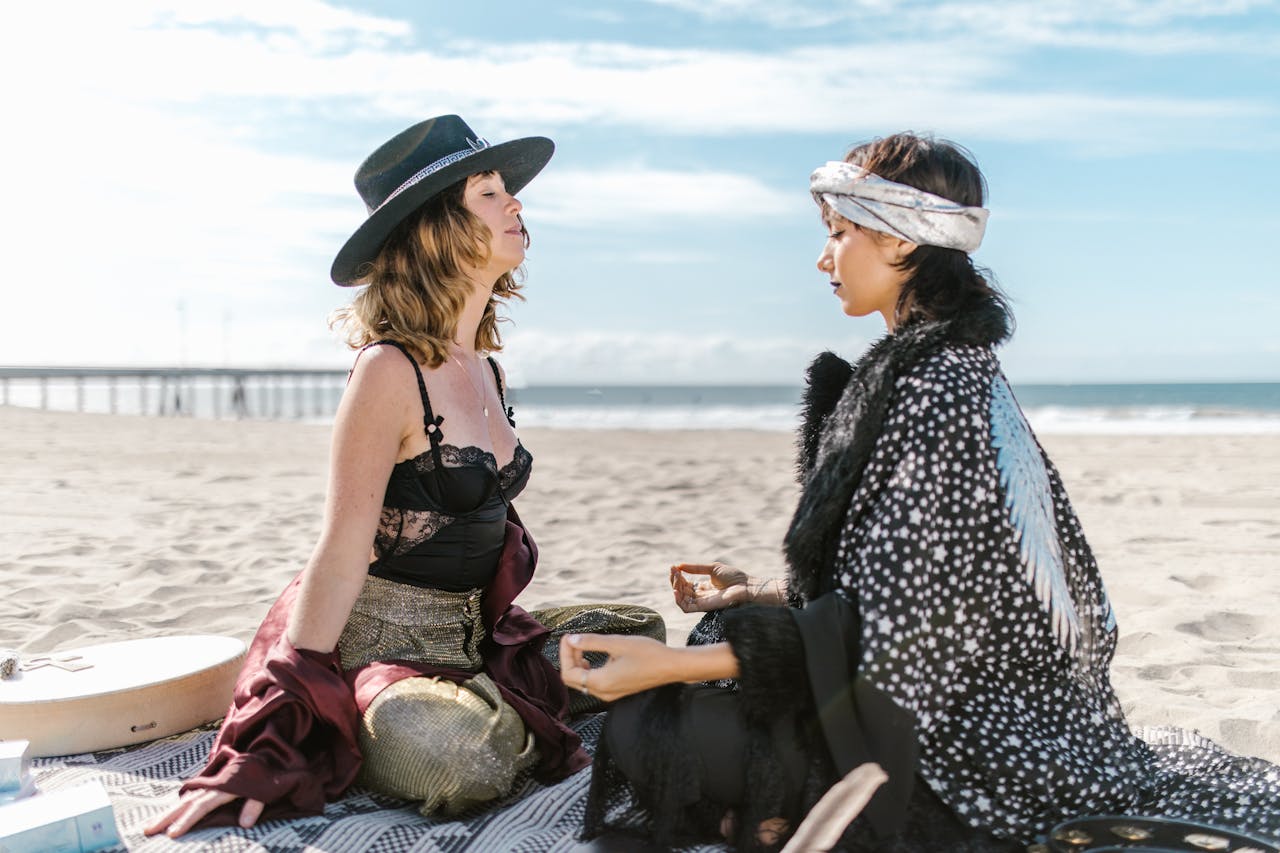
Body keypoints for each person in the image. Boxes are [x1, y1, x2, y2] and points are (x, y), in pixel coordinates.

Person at [559, 134, 1280, 851]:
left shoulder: (935, 389)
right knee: (694, 691)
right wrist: (759, 592)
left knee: (648, 726)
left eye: (839, 233)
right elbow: (915, 580)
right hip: (994, 713)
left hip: (973, 753)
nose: (823, 256)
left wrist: (676, 664)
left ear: (901, 242)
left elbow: (896, 633)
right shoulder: (947, 368)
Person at [146, 114, 663, 838]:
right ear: (434, 230)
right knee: (464, 762)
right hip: (383, 648)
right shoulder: (388, 370)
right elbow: (340, 548)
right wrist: (272, 726)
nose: (516, 203)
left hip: (476, 637)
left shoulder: (486, 365)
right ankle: (452, 714)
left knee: (637, 631)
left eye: (507, 191)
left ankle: (498, 694)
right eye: (489, 193)